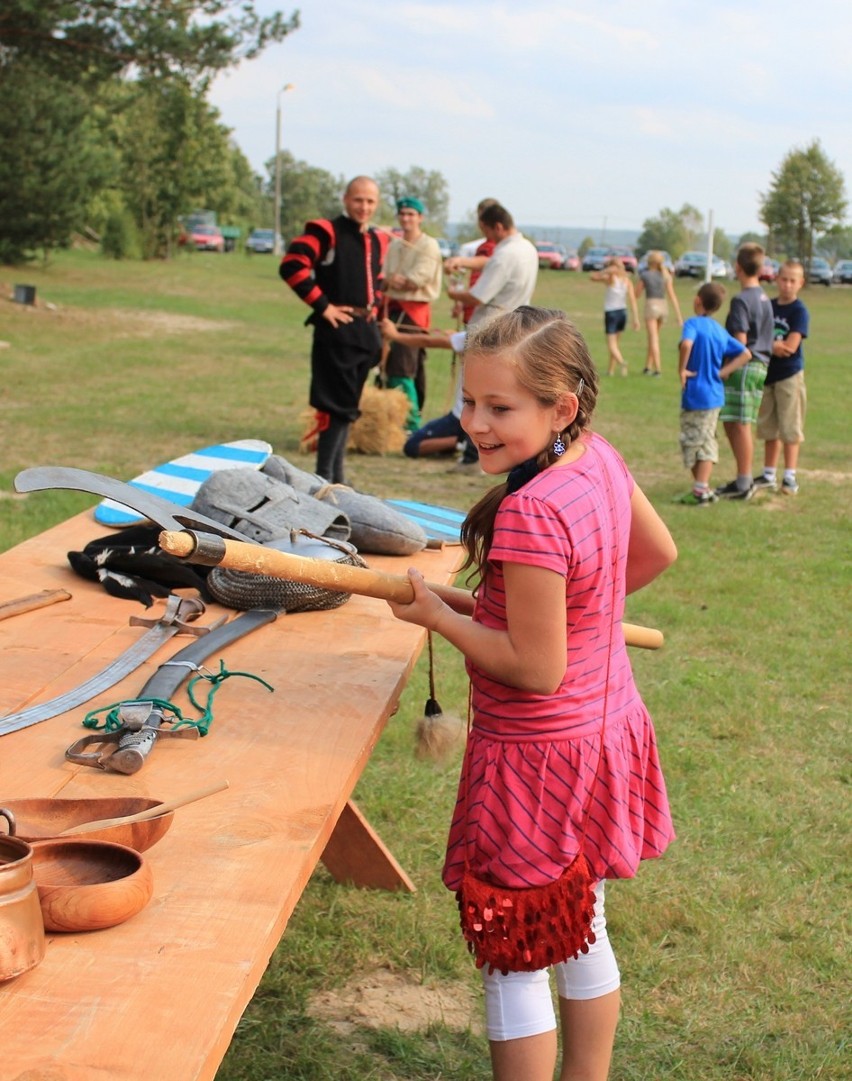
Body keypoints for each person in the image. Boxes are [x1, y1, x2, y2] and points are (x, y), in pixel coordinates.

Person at [386, 306, 677, 1081]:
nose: (473, 422)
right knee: (582, 925)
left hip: (537, 759)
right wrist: (572, 617)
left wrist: (436, 619)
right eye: (468, 400)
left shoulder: (532, 509)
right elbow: (655, 553)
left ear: (562, 406)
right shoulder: (596, 461)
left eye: (499, 408)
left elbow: (530, 667)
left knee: (514, 946)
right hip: (603, 732)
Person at [279, 176, 388, 485]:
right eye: (358, 200)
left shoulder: (378, 239)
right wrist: (323, 306)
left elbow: (376, 283)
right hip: (336, 331)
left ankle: (336, 477)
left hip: (364, 333)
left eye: (370, 201)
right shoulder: (326, 231)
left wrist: (376, 313)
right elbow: (292, 264)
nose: (364, 207)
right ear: (345, 199)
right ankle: (325, 476)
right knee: (335, 408)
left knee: (349, 408)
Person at [674, 282, 751, 505]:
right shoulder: (719, 330)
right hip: (715, 395)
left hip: (697, 396)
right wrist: (723, 372)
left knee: (697, 441)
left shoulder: (692, 324)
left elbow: (686, 345)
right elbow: (745, 353)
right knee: (704, 438)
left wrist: (682, 369)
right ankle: (702, 488)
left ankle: (701, 490)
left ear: (698, 300)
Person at [714, 242, 774, 500]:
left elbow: (740, 344)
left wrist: (724, 370)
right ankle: (742, 479)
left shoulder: (741, 300)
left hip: (745, 366)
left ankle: (744, 482)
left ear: (737, 267)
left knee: (739, 425)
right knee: (735, 422)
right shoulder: (764, 298)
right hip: (761, 365)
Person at [382, 197, 443, 430]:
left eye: (411, 214)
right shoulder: (395, 244)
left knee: (404, 366)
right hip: (392, 307)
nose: (406, 218)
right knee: (387, 363)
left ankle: (411, 423)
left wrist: (399, 281)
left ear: (420, 218)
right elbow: (386, 274)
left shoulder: (428, 245)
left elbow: (418, 279)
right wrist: (393, 281)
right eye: (403, 214)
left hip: (414, 311)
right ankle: (392, 419)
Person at [753, 260, 809, 495]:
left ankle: (790, 476)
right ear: (776, 279)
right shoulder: (770, 306)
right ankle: (768, 474)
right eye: (784, 279)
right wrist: (770, 344)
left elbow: (790, 347)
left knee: (790, 426)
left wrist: (770, 344)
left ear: (800, 283)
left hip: (789, 375)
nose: (787, 285)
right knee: (769, 427)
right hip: (768, 374)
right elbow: (757, 338)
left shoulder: (799, 311)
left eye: (792, 281)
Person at [380, 321, 468, 458]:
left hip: (460, 418)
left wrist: (395, 335)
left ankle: (465, 442)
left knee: (412, 445)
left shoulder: (471, 336)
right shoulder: (502, 340)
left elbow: (427, 341)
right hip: (473, 417)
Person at [634, 250, 683, 375]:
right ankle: (648, 366)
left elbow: (637, 294)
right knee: (654, 337)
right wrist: (678, 316)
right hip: (663, 306)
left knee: (653, 338)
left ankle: (658, 369)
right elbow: (672, 296)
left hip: (651, 305)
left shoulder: (645, 275)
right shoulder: (666, 276)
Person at [590, 255, 640, 375]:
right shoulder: (627, 281)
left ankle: (622, 362)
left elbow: (592, 277)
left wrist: (605, 271)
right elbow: (633, 300)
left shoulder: (610, 278)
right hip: (623, 312)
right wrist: (636, 319)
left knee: (611, 344)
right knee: (616, 344)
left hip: (611, 313)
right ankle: (610, 370)